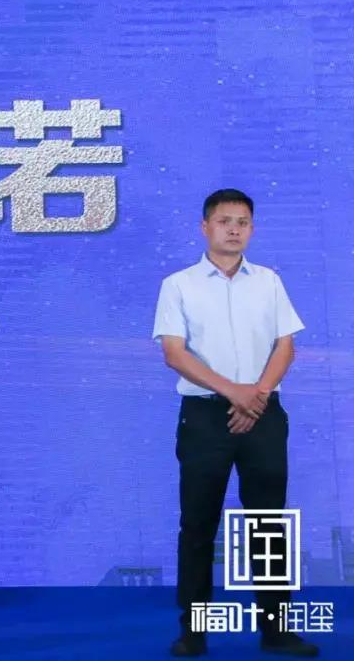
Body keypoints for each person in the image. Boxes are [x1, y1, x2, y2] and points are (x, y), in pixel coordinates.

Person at [152, 189, 318, 658]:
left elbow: (286, 346)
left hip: (263, 413)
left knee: (267, 523)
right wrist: (235, 393)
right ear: (205, 227)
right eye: (224, 221)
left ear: (252, 229)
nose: (234, 229)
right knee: (198, 524)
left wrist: (256, 395)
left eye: (242, 222)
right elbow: (174, 353)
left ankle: (276, 629)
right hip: (206, 417)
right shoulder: (178, 284)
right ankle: (194, 631)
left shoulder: (268, 281)